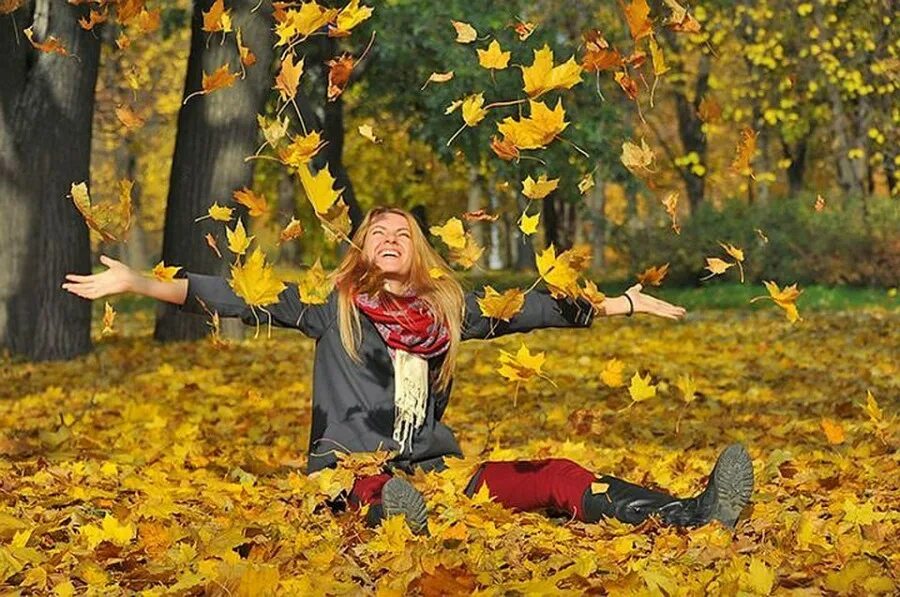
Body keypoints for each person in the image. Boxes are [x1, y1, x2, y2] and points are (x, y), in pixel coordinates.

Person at [62, 206, 754, 535]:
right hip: (347, 471)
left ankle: (689, 512)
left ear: (417, 253)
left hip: (436, 473)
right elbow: (228, 295)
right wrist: (136, 282)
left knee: (556, 473)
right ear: (361, 250)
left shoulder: (449, 310)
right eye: (377, 234)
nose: (390, 241)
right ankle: (399, 525)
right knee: (369, 484)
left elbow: (535, 310)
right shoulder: (326, 308)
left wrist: (623, 303)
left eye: (402, 235)